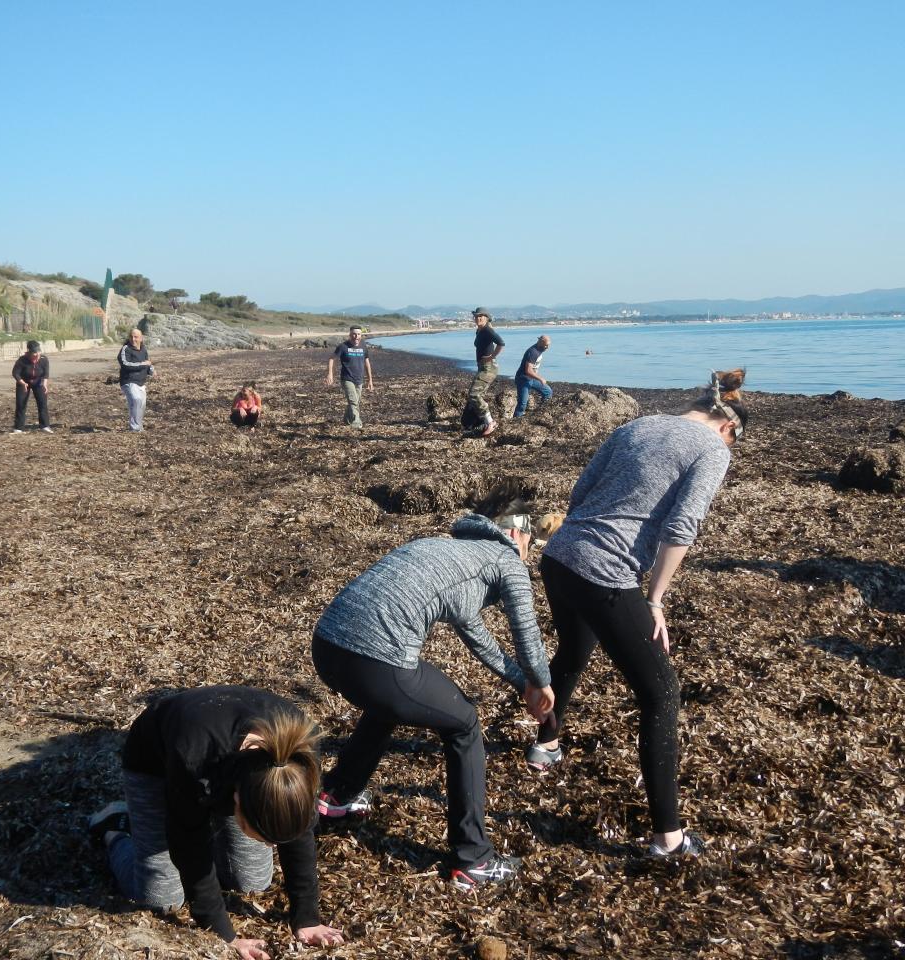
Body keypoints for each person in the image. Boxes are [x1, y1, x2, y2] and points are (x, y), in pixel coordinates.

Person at [525, 369, 748, 860]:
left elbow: (581, 493)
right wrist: (654, 599)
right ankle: (668, 837)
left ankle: (545, 744)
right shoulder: (711, 450)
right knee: (661, 694)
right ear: (728, 429)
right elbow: (682, 526)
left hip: (560, 556)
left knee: (575, 650)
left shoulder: (637, 425)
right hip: (605, 572)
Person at [310, 498, 555, 890]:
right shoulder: (505, 559)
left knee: (393, 702)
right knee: (465, 725)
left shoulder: (453, 550)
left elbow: (478, 639)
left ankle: (339, 794)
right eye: (529, 544)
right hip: (375, 657)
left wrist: (521, 683)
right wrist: (543, 683)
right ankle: (473, 858)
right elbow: (526, 632)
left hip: (327, 646)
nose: (527, 555)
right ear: (514, 534)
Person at [89, 686, 345, 960]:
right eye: (262, 836)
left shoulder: (299, 758)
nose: (271, 846)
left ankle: (211, 822)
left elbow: (300, 833)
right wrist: (223, 935)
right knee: (161, 897)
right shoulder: (193, 754)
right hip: (157, 765)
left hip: (232, 773)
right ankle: (114, 828)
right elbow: (190, 845)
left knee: (252, 880)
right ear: (237, 801)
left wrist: (306, 917)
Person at [325, 326, 373, 429]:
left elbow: (367, 362)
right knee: (353, 401)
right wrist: (330, 374)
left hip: (359, 379)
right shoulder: (343, 346)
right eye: (354, 334)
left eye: (359, 334)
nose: (356, 337)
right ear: (350, 335)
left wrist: (370, 380)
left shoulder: (363, 346)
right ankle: (356, 422)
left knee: (356, 401)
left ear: (361, 335)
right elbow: (331, 359)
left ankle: (346, 419)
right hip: (347, 379)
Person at [466, 308, 504, 437]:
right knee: (474, 396)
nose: (478, 318)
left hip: (489, 367)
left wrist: (491, 357)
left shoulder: (488, 330)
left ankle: (490, 422)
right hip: (482, 367)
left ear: (487, 318)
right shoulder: (480, 330)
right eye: (476, 316)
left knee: (474, 395)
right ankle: (478, 422)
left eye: (481, 316)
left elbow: (501, 343)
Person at [118, 328, 155, 431]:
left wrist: (151, 370)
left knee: (141, 405)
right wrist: (142, 364)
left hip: (141, 382)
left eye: (136, 337)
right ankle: (135, 428)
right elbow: (125, 364)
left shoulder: (143, 349)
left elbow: (147, 363)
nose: (133, 339)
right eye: (131, 337)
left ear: (141, 338)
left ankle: (139, 427)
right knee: (136, 400)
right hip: (128, 381)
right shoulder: (126, 349)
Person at [11, 340, 51, 434]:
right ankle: (18, 428)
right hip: (24, 382)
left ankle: (44, 426)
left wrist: (44, 384)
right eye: (34, 353)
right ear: (29, 352)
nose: (37, 354)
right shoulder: (22, 360)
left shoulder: (44, 359)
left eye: (38, 352)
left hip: (38, 382)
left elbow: (46, 373)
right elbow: (15, 373)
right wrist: (22, 383)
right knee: (21, 404)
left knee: (42, 403)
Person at [513, 335, 552, 418]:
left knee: (548, 392)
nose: (547, 347)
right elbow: (528, 370)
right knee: (522, 404)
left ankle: (540, 413)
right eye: (546, 345)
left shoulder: (540, 349)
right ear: (540, 342)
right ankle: (516, 420)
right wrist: (540, 378)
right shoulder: (533, 352)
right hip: (523, 379)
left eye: (548, 345)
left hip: (532, 379)